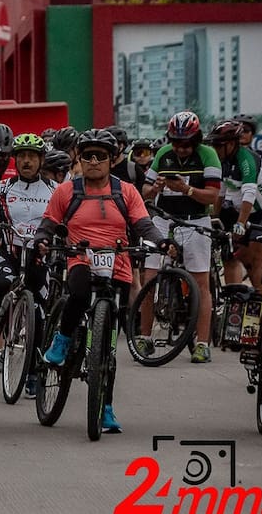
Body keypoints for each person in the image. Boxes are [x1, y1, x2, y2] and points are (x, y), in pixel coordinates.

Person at [34, 129, 169, 434]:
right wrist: (42, 238)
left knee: (108, 345)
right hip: (81, 257)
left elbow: (143, 223)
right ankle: (62, 340)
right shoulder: (67, 191)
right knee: (79, 294)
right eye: (87, 156)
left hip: (117, 261)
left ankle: (105, 408)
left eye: (100, 156)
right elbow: (49, 222)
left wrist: (161, 242)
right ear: (79, 160)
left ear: (111, 160)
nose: (94, 161)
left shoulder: (126, 191)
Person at [140, 111, 222, 363]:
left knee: (201, 283)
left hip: (195, 220)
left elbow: (212, 196)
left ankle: (202, 343)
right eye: (176, 143)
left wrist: (186, 189)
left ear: (195, 141)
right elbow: (144, 190)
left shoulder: (208, 155)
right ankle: (144, 337)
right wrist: (154, 189)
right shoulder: (163, 154)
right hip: (163, 220)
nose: (181, 149)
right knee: (149, 278)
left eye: (186, 144)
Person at [0, 133, 55, 395]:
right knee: (0, 284)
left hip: (38, 256)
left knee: (38, 311)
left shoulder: (54, 190)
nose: (27, 161)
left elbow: (64, 220)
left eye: (32, 157)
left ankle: (34, 373)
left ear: (41, 160)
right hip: (9, 253)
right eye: (22, 156)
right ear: (15, 159)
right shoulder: (2, 187)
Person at [207, 120, 262, 295]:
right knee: (229, 255)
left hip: (259, 211)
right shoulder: (223, 160)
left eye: (219, 145)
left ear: (232, 144)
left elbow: (249, 194)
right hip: (237, 208)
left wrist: (240, 224)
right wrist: (214, 218)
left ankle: (259, 302)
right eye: (214, 145)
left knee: (254, 260)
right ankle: (233, 299)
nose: (215, 149)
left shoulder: (246, 159)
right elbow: (220, 192)